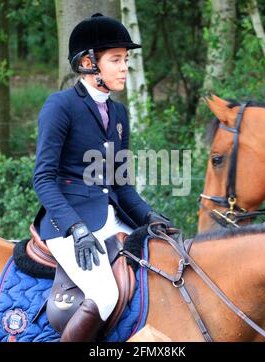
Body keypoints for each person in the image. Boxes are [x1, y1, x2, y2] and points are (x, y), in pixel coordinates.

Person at [32, 13, 173, 342]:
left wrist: (151, 217)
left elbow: (123, 186)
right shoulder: (60, 106)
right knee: (106, 295)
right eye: (116, 60)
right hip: (68, 225)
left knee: (169, 267)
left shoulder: (120, 114)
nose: (125, 67)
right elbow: (43, 178)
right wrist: (75, 227)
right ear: (87, 63)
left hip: (113, 218)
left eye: (126, 60)